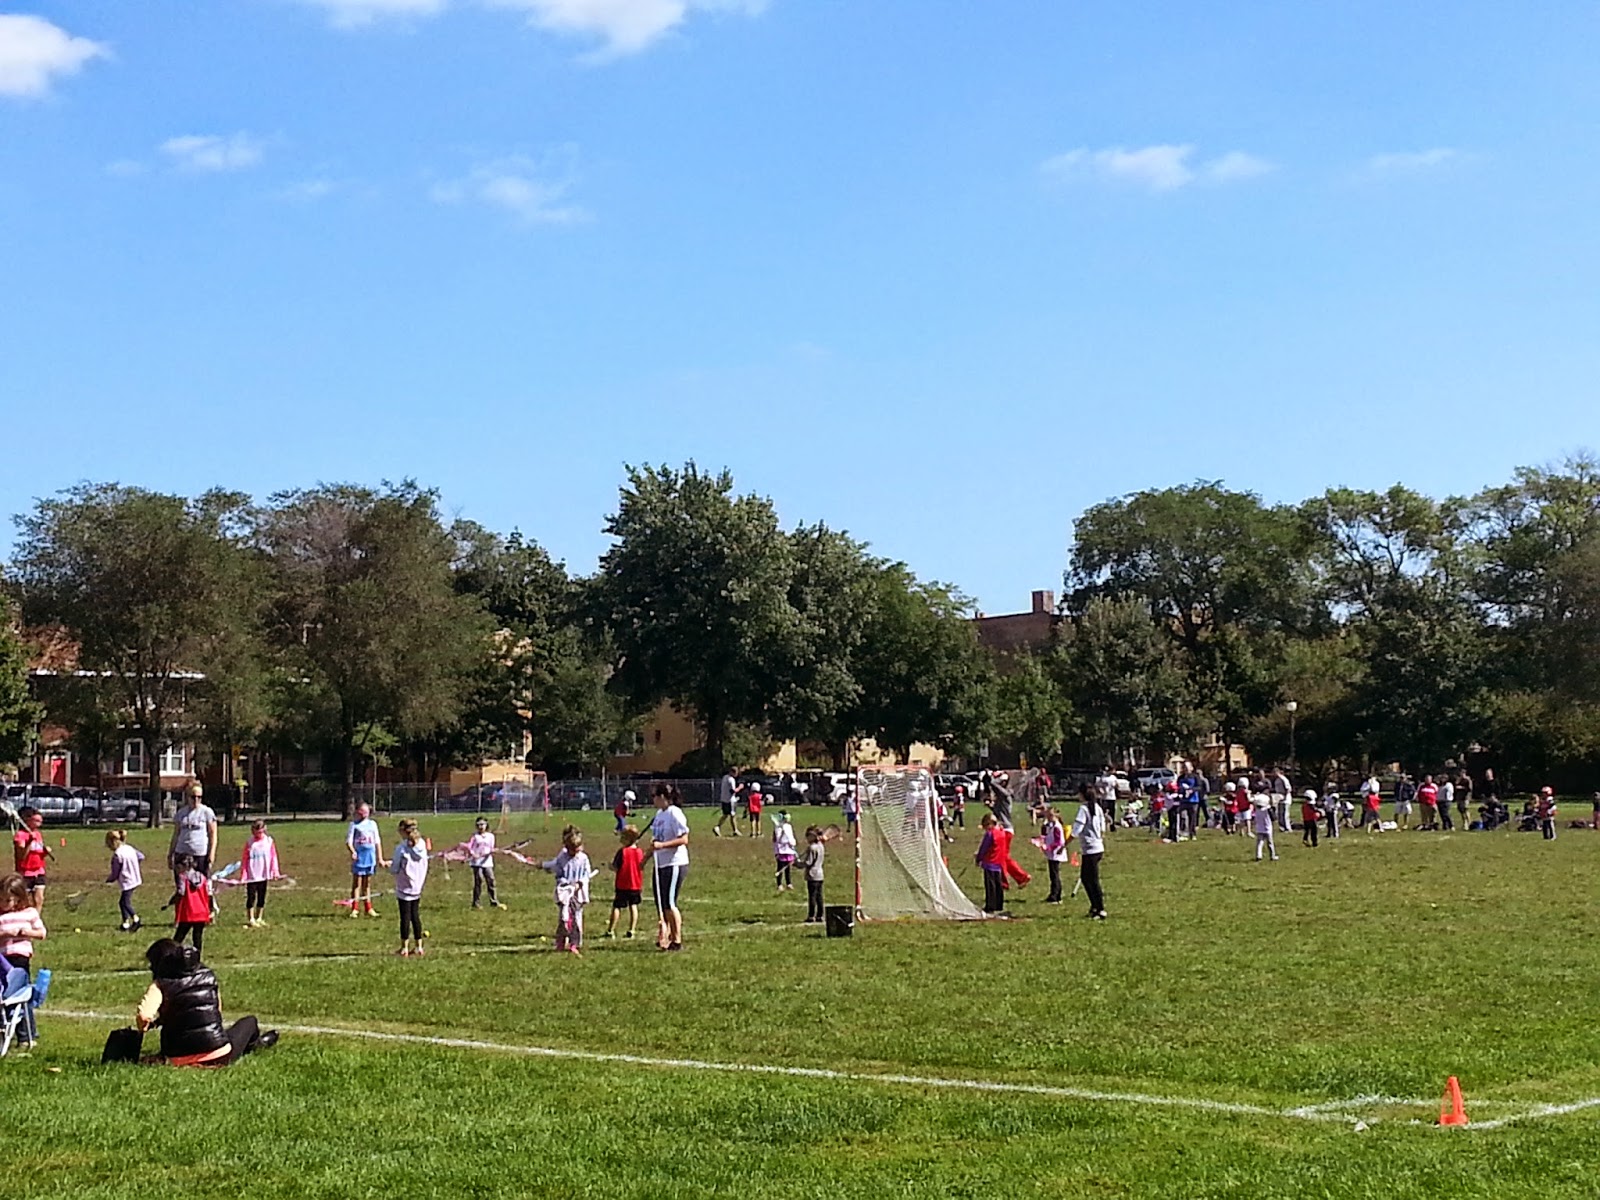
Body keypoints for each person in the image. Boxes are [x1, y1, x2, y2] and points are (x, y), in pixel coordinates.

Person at [126, 938, 276, 1066]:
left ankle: (255, 1045)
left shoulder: (160, 984)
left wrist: (143, 1029)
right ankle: (257, 1044)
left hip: (176, 1059)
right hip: (218, 1056)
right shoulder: (208, 976)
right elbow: (217, 1011)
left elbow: (144, 1016)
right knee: (250, 1021)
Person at [649, 783, 689, 951]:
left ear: (663, 797)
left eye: (655, 796)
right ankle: (666, 935)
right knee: (661, 903)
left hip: (674, 863)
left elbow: (684, 839)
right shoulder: (659, 815)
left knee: (669, 902)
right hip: (660, 863)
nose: (653, 800)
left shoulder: (675, 813)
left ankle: (677, 939)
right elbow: (655, 841)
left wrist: (662, 845)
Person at [541, 826, 593, 955]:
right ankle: (561, 941)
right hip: (565, 892)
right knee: (563, 919)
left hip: (578, 894)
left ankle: (574, 943)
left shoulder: (583, 858)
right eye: (572, 849)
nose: (574, 851)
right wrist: (543, 866)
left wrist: (580, 883)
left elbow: (586, 874)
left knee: (576, 918)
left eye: (577, 848)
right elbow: (557, 868)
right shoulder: (562, 857)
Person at [168, 783, 218, 910]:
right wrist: (171, 854)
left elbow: (213, 835)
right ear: (187, 797)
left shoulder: (207, 812)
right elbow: (176, 834)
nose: (196, 800)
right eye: (193, 797)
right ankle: (181, 916)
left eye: (199, 797)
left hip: (200, 854)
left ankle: (205, 913)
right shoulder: (181, 813)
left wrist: (211, 854)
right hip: (182, 853)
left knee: (202, 886)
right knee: (181, 888)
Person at [1064, 783, 1107, 920]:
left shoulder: (1083, 809)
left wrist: (1064, 844)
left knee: (1092, 880)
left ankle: (1100, 909)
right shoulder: (1097, 808)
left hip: (1091, 850)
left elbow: (1076, 830)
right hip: (1097, 848)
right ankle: (1094, 906)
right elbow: (1102, 828)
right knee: (1086, 878)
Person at [390, 819, 429, 957]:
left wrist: (390, 865)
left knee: (405, 917)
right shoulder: (422, 845)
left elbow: (395, 868)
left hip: (404, 886)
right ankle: (419, 946)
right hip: (417, 886)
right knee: (415, 916)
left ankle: (404, 948)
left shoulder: (401, 848)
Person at [604, 825, 645, 940]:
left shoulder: (622, 852)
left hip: (622, 884)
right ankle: (632, 929)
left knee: (617, 907)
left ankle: (610, 930)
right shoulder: (640, 852)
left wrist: (610, 867)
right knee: (633, 906)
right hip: (635, 884)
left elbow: (616, 867)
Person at [238, 821, 281, 929]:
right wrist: (244, 873)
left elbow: (273, 857)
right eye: (256, 832)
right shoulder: (250, 843)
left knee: (262, 896)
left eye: (260, 831)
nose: (258, 834)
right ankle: (251, 918)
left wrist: (275, 871)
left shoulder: (269, 841)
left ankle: (259, 917)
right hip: (252, 874)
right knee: (251, 896)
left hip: (264, 873)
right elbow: (244, 859)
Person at [0, 873, 45, 974]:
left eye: (8, 900)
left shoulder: (29, 913)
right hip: (2, 958)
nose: (3, 904)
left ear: (18, 898)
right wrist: (5, 934)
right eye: (0, 899)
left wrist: (27, 933)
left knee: (20, 981)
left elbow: (42, 933)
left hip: (21, 956)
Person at [346, 802, 384, 919]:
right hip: (359, 858)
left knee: (367, 884)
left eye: (366, 812)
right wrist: (353, 852)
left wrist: (380, 858)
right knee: (357, 883)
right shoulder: (354, 825)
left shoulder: (372, 824)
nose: (364, 814)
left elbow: (377, 841)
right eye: (362, 811)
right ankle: (355, 908)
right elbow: (349, 841)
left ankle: (369, 908)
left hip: (370, 857)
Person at [12, 807, 54, 912]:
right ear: (28, 821)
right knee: (24, 902)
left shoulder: (38, 834)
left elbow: (38, 854)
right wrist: (29, 842)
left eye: (41, 821)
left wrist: (45, 852)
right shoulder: (20, 835)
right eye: (37, 820)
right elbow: (21, 856)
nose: (40, 822)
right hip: (25, 873)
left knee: (39, 899)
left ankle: (36, 921)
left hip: (39, 871)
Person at [170, 854, 213, 954]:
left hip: (189, 912)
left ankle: (170, 956)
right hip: (201, 911)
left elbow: (181, 892)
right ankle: (197, 958)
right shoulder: (202, 877)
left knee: (179, 937)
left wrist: (171, 901)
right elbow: (209, 893)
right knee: (197, 937)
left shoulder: (183, 877)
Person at [106, 830, 144, 932]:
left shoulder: (117, 855)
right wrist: (134, 865)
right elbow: (141, 856)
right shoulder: (129, 848)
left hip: (128, 880)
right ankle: (125, 923)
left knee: (124, 902)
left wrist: (109, 880)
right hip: (135, 878)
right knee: (122, 902)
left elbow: (115, 873)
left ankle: (136, 919)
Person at [466, 817, 505, 910]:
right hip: (477, 863)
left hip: (487, 862)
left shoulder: (491, 836)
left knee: (491, 881)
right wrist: (473, 854)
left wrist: (492, 851)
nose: (481, 827)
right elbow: (469, 847)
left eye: (482, 824)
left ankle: (494, 901)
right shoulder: (474, 837)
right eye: (479, 825)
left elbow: (491, 848)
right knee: (478, 881)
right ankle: (476, 903)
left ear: (486, 825)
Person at [975, 814, 1007, 915]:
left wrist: (979, 858)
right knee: (998, 885)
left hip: (989, 862)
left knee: (990, 886)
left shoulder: (990, 834)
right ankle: (999, 904)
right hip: (998, 862)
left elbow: (984, 847)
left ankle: (990, 906)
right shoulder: (1001, 832)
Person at [1038, 806, 1069, 903]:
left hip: (1056, 853)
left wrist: (1048, 847)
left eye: (1051, 815)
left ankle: (1056, 895)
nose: (1049, 817)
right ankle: (1054, 894)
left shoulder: (1057, 827)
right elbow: (1045, 834)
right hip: (1052, 853)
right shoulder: (1050, 825)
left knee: (1055, 875)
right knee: (1053, 874)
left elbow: (1058, 842)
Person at [799, 825, 827, 924]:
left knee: (812, 896)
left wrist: (798, 864)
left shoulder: (812, 848)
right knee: (819, 896)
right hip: (820, 874)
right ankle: (820, 915)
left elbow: (808, 862)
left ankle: (811, 915)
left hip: (812, 875)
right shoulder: (820, 846)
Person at [772, 810, 797, 892]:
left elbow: (791, 836)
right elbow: (778, 839)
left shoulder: (789, 826)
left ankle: (789, 883)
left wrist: (792, 843)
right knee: (780, 867)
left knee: (788, 867)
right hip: (781, 850)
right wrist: (782, 832)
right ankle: (779, 884)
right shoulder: (778, 828)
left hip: (788, 850)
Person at [714, 768, 742, 838]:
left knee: (725, 814)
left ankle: (718, 827)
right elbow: (732, 791)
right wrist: (740, 787)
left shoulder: (725, 777)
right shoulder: (731, 779)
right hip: (730, 800)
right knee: (733, 815)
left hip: (724, 799)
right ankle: (735, 830)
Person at [1250, 793, 1279, 862]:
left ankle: (1258, 855)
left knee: (1259, 843)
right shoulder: (1268, 810)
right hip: (1267, 829)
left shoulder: (1256, 810)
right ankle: (1272, 856)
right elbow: (1274, 818)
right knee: (1270, 843)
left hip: (1259, 828)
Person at [1270, 767, 1292, 833]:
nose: (1273, 774)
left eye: (1274, 772)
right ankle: (1282, 827)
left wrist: (1285, 796)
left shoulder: (1283, 779)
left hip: (1285, 799)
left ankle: (1288, 828)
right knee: (1280, 814)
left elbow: (1288, 789)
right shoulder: (1276, 780)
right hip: (1279, 799)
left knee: (1285, 814)